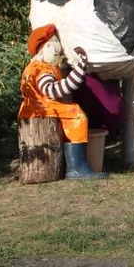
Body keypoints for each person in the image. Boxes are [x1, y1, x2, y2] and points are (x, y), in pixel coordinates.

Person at [19, 24, 107, 179]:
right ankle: (76, 166)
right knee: (76, 115)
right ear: (45, 48)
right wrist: (80, 69)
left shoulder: (33, 67)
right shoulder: (43, 69)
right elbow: (53, 90)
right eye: (55, 49)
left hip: (33, 107)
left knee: (72, 111)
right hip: (43, 108)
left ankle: (76, 164)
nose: (58, 53)